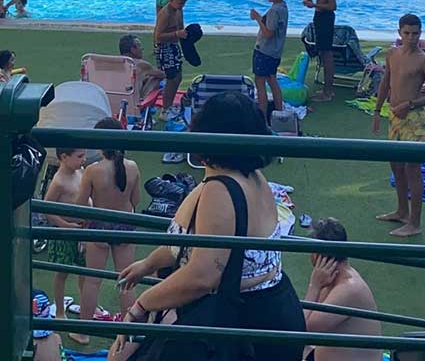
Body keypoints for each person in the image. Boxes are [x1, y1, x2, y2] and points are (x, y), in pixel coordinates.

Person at [113, 92, 305, 361]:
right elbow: (185, 239)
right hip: (275, 314)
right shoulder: (251, 177)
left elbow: (202, 276)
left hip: (243, 329)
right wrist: (148, 263)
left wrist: (140, 306)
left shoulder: (220, 189)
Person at [372, 13, 425, 237]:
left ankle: (415, 222)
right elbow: (385, 82)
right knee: (396, 166)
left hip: (415, 118)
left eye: (416, 33)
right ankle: (402, 210)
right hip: (394, 116)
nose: (411, 38)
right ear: (400, 32)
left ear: (421, 33)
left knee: (413, 169)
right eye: (407, 33)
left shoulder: (424, 60)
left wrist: (410, 104)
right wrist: (376, 110)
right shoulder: (392, 53)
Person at [77, 117, 141, 323]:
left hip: (98, 226)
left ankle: (82, 331)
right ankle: (129, 329)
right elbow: (136, 200)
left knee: (92, 281)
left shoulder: (92, 170)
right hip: (124, 225)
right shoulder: (133, 167)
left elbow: (79, 205)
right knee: (126, 281)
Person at [302, 218, 382, 361]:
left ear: (316, 255)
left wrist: (314, 286)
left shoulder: (349, 289)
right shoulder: (332, 278)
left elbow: (303, 328)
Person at [44, 147, 90, 343]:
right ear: (64, 157)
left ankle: (85, 305)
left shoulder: (80, 171)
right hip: (65, 233)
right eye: (79, 156)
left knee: (84, 271)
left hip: (82, 230)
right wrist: (65, 225)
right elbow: (47, 209)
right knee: (62, 272)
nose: (84, 159)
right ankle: (60, 310)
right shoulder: (58, 181)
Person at [302, 0, 339, 102]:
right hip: (322, 17)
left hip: (325, 18)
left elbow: (332, 5)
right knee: (324, 53)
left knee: (326, 55)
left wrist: (313, 5)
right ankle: (327, 89)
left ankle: (328, 92)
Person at [249, 0, 289, 117]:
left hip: (264, 51)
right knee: (272, 80)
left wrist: (258, 18)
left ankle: (262, 113)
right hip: (275, 52)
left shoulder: (274, 11)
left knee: (260, 83)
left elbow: (268, 33)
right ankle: (279, 112)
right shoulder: (283, 7)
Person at [153, 0, 189, 124]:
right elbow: (158, 36)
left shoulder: (179, 10)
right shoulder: (165, 14)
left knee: (178, 77)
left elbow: (181, 28)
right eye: (180, 3)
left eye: (183, 3)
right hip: (164, 48)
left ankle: (169, 106)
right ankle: (164, 109)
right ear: (172, 0)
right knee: (171, 78)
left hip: (174, 45)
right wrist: (176, 34)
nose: (182, 6)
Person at [119, 34, 166, 103]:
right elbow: (164, 74)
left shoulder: (115, 64)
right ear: (133, 50)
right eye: (139, 46)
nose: (142, 48)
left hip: (113, 106)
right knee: (156, 78)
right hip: (134, 107)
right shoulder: (140, 64)